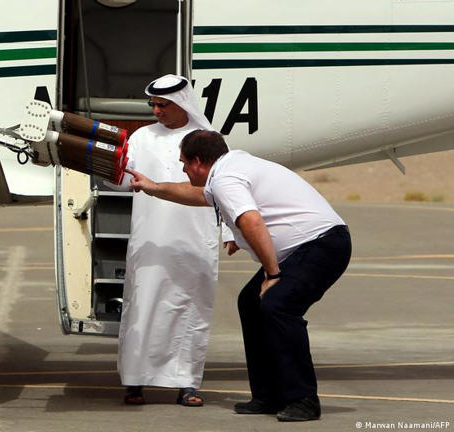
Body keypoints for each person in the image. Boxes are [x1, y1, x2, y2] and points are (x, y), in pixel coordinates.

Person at [126, 129, 352, 422]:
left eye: (183, 163)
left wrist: (272, 275)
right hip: (306, 247)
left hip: (322, 245)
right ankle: (268, 395)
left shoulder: (225, 178)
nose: (183, 169)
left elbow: (251, 221)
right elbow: (197, 194)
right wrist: (153, 186)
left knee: (278, 305)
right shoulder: (230, 167)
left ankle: (303, 399)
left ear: (197, 162)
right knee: (251, 303)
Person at [111, 75, 225, 407]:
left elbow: (227, 188)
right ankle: (135, 380)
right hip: (150, 237)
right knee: (143, 306)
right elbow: (122, 182)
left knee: (190, 309)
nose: (157, 111)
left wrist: (232, 232)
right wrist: (101, 166)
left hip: (194, 239)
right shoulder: (141, 137)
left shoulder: (207, 141)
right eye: (154, 105)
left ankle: (187, 383)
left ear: (183, 104)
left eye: (164, 105)